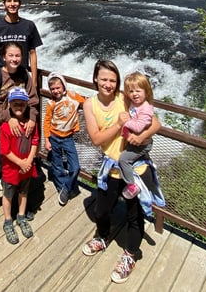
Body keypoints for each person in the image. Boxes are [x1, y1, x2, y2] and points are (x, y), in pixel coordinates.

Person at [81, 60, 161, 284]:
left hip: (135, 168)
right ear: (96, 78)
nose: (108, 84)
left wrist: (142, 137)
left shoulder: (124, 98)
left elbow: (155, 123)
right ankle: (103, 235)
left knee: (135, 216)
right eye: (104, 79)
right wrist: (118, 125)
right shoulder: (89, 105)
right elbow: (96, 139)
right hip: (110, 167)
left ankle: (130, 254)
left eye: (112, 80)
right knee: (101, 210)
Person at [0, 41, 39, 228]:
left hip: (23, 135)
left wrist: (32, 119)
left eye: (18, 56)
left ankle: (20, 205)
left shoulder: (24, 74)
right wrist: (8, 118)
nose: (14, 59)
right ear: (3, 57)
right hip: (2, 133)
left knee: (23, 168)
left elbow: (34, 99)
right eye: (11, 55)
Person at [0, 87, 39, 244]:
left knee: (24, 192)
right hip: (11, 169)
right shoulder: (6, 127)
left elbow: (35, 141)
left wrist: (29, 160)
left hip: (26, 168)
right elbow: (5, 151)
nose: (18, 106)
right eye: (14, 103)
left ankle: (21, 216)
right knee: (8, 195)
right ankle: (8, 221)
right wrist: (21, 162)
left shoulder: (31, 124)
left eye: (21, 104)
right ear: (9, 105)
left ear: (26, 105)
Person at [0, 0, 43, 88]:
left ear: (20, 3)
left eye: (15, 0)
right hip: (1, 79)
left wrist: (34, 82)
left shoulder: (29, 26)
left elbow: (33, 54)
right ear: (4, 4)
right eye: (9, 1)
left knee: (23, 104)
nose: (12, 4)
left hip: (22, 79)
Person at [43, 72, 85, 206]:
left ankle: (66, 187)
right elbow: (47, 121)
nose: (56, 91)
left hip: (68, 138)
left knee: (75, 167)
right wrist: (47, 139)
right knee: (57, 165)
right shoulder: (51, 103)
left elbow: (87, 102)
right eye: (53, 89)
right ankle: (62, 188)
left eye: (58, 88)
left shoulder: (72, 96)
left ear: (63, 86)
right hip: (54, 136)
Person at [119, 71, 155, 199]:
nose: (134, 94)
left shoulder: (146, 109)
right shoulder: (136, 104)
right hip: (136, 142)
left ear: (146, 91)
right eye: (131, 91)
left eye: (138, 91)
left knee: (123, 160)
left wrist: (125, 122)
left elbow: (139, 127)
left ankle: (132, 186)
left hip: (141, 145)